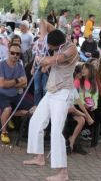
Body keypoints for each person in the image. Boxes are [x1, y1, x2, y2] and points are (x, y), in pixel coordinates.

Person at [23, 29, 79, 181]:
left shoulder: (71, 48)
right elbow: (44, 24)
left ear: (57, 44)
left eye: (51, 46)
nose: (50, 48)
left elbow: (57, 59)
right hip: (51, 92)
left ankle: (63, 172)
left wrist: (42, 59)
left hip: (63, 93)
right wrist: (43, 54)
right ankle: (40, 157)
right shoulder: (59, 45)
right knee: (36, 121)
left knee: (56, 131)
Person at [0, 43, 32, 143]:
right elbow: (1, 84)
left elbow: (25, 83)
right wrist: (17, 81)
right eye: (13, 53)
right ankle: (4, 132)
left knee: (34, 108)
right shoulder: (0, 65)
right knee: (7, 108)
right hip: (0, 95)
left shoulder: (20, 66)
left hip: (15, 95)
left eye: (17, 54)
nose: (15, 55)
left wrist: (9, 83)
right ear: (8, 52)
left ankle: (10, 116)